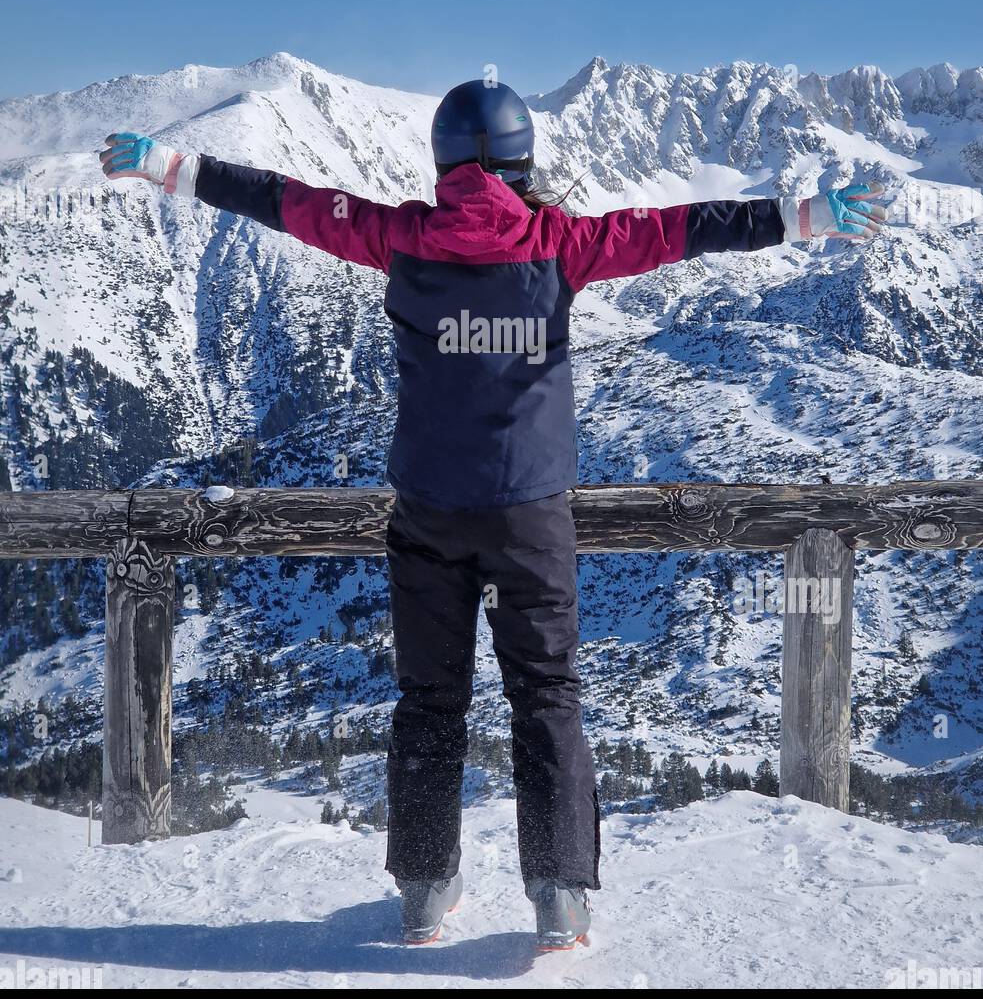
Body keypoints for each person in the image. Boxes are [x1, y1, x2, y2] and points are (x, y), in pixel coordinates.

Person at [99, 81, 887, 949]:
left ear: (442, 161)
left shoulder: (399, 238)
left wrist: (173, 167)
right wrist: (804, 215)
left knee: (428, 699)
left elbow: (286, 204)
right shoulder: (563, 244)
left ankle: (425, 892)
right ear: (522, 159)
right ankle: (558, 897)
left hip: (429, 514)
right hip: (530, 519)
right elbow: (683, 230)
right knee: (545, 696)